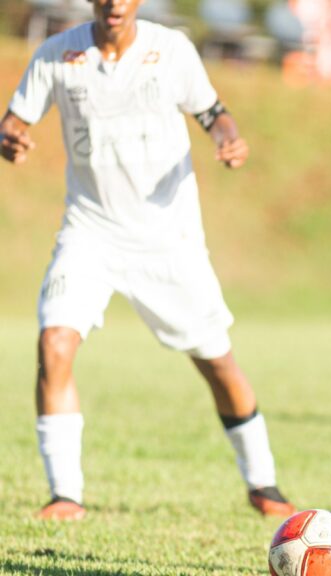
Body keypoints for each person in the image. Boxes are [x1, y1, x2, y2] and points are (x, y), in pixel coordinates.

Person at [0, 0, 295, 520]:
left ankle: (263, 482)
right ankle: (65, 494)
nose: (114, 3)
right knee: (55, 342)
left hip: (168, 237)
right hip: (89, 229)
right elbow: (13, 121)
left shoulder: (171, 49)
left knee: (216, 360)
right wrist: (11, 139)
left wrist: (229, 140)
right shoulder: (56, 54)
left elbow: (214, 114)